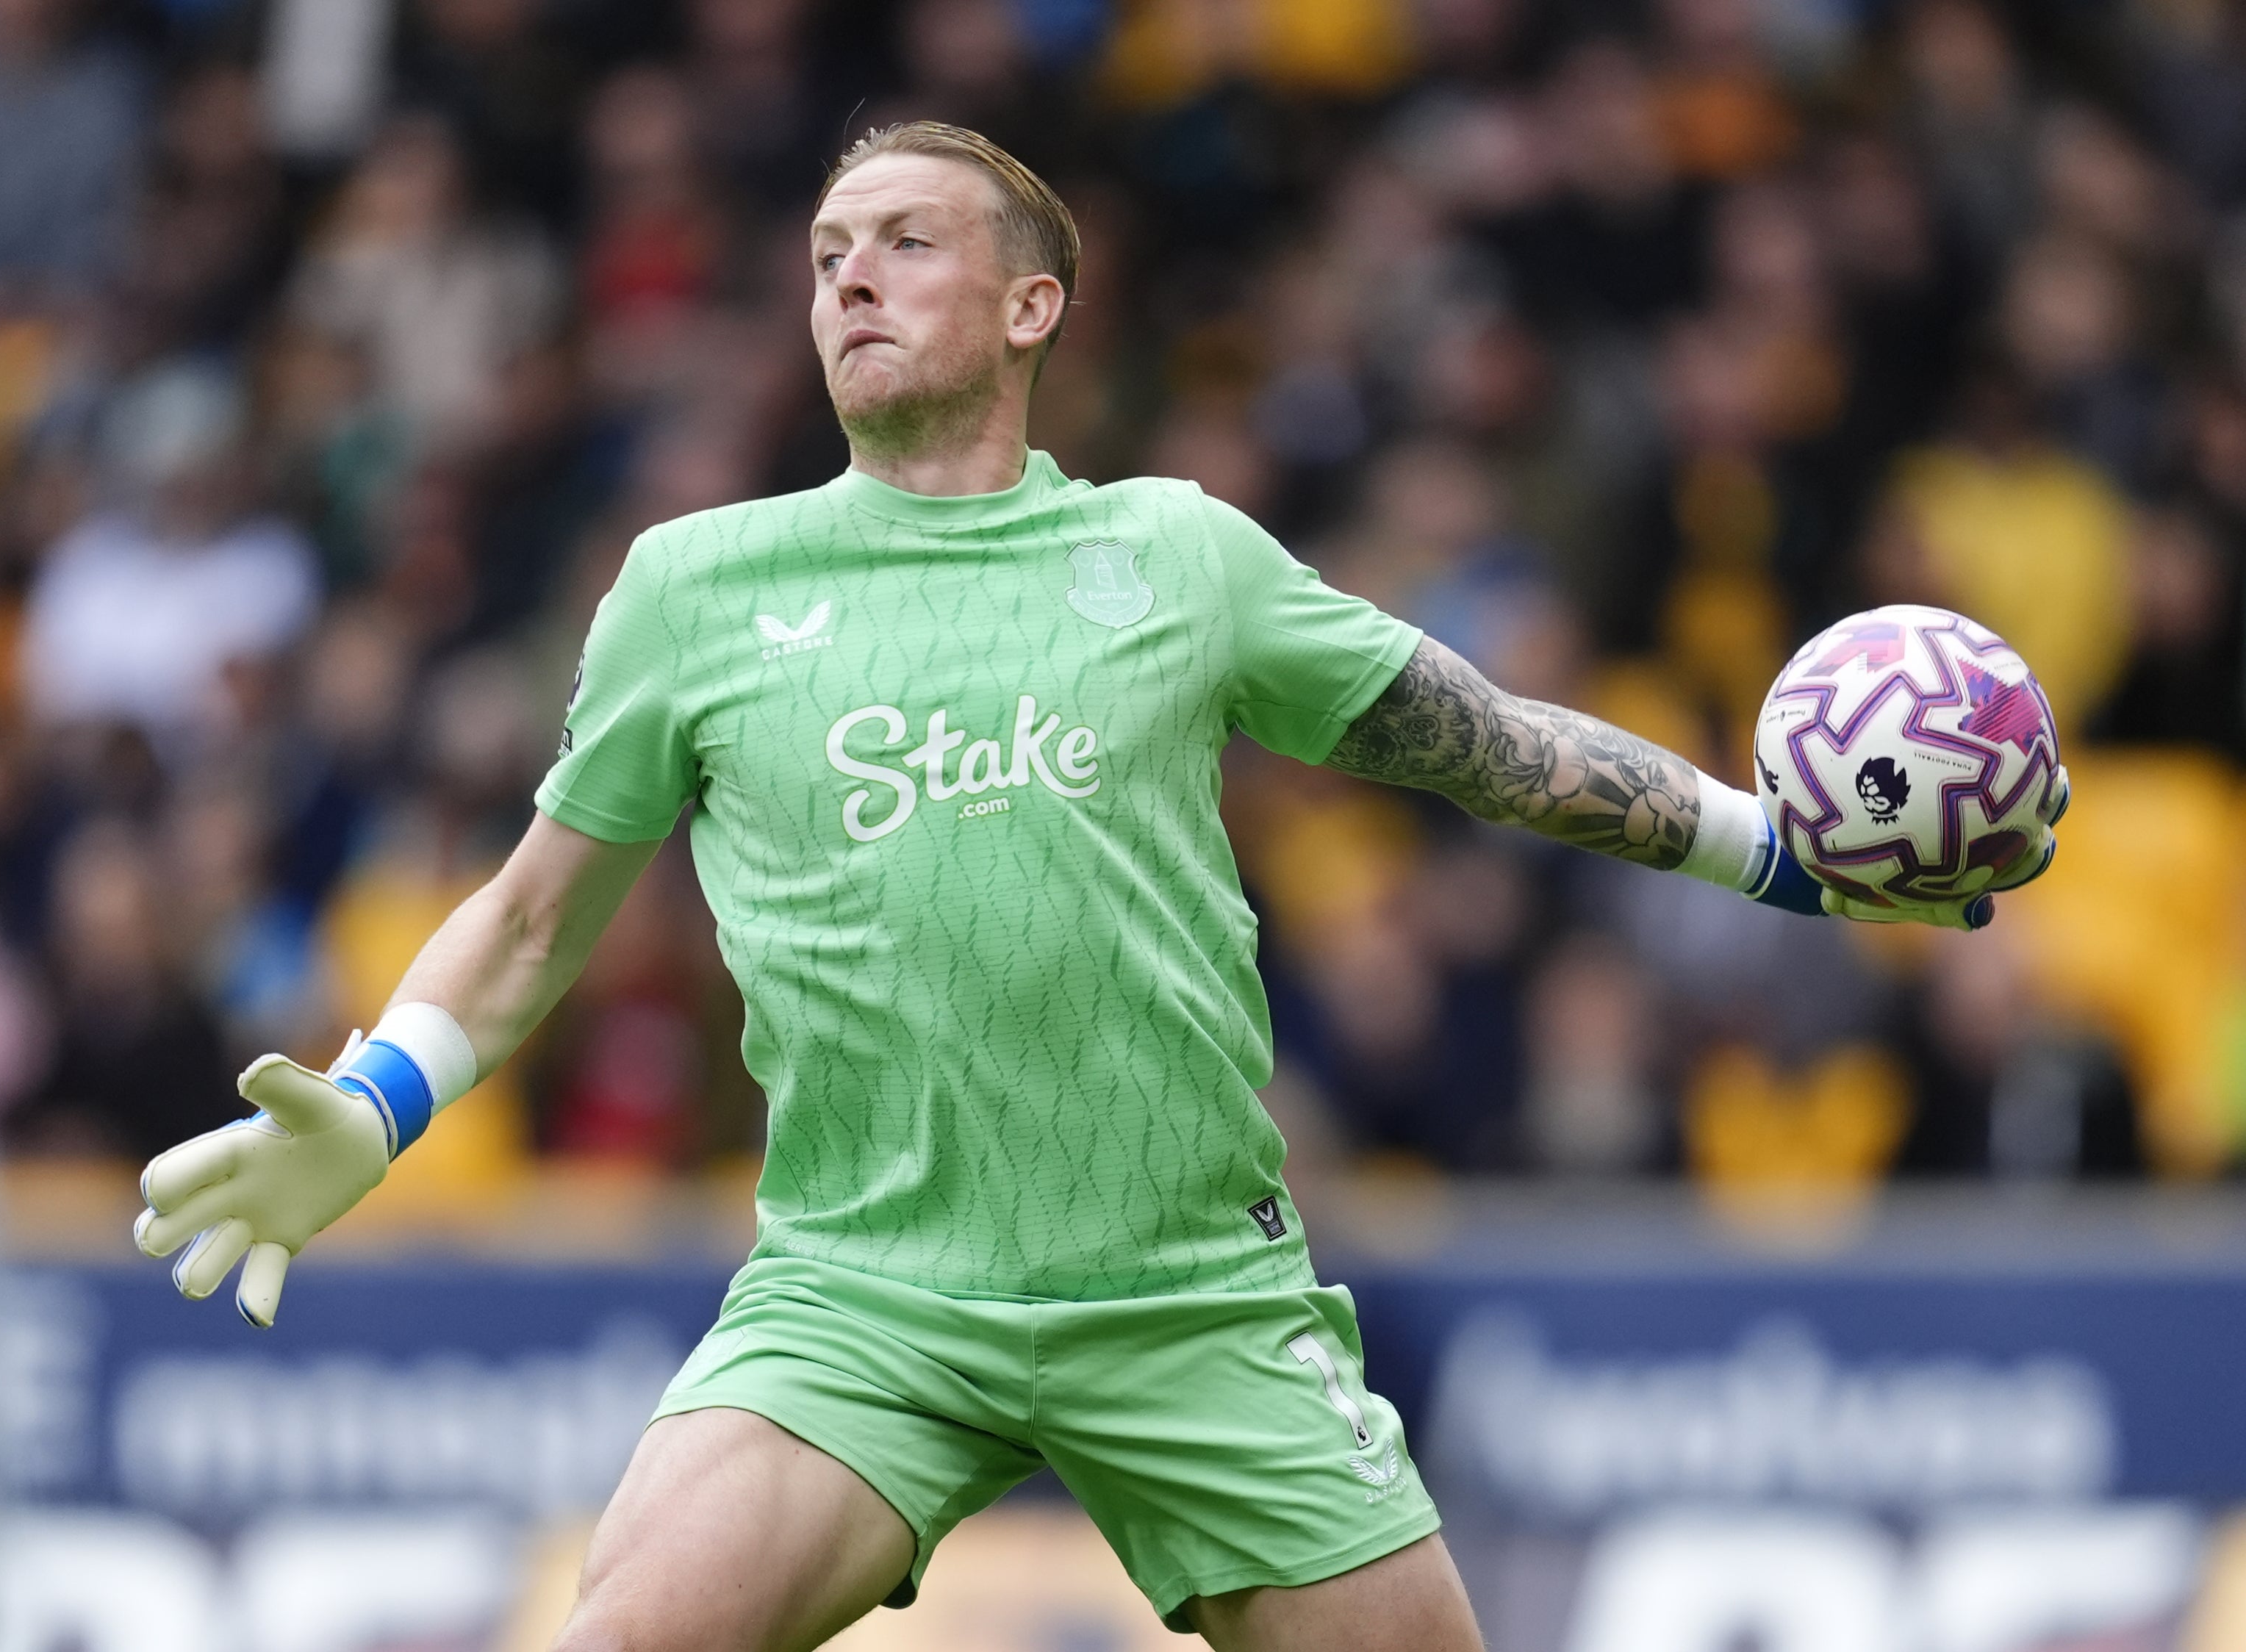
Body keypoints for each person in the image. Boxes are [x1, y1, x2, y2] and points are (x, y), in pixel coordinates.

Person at [132, 123, 2060, 1651]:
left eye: (902, 239)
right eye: (823, 254)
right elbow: (537, 909)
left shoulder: (1178, 555)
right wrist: (382, 1093)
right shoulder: (692, 583)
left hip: (1189, 1302)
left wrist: (1779, 859)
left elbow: (1477, 738)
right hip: (864, 1300)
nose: (850, 277)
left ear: (1037, 303)